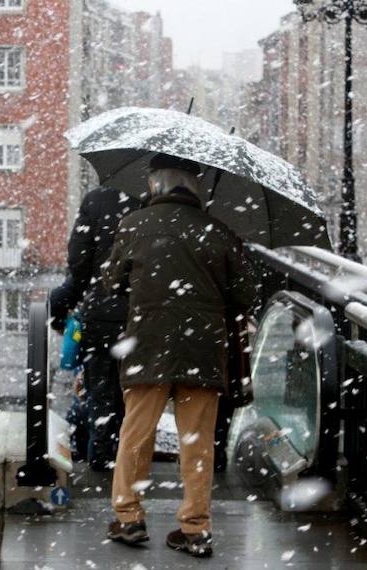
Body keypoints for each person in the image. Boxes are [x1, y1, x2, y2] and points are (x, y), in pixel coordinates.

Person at [103, 154, 256, 558]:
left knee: (136, 434)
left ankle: (129, 518)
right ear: (195, 184)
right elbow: (246, 295)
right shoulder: (218, 231)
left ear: (155, 183)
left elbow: (111, 280)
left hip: (147, 343)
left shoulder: (134, 224)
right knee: (197, 441)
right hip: (202, 348)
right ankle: (195, 527)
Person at [50, 186, 141, 471]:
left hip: (99, 316)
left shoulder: (96, 200)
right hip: (141, 317)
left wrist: (78, 295)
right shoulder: (151, 204)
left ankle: (101, 459)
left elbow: (78, 262)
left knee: (99, 395)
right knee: (135, 396)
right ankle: (130, 463)